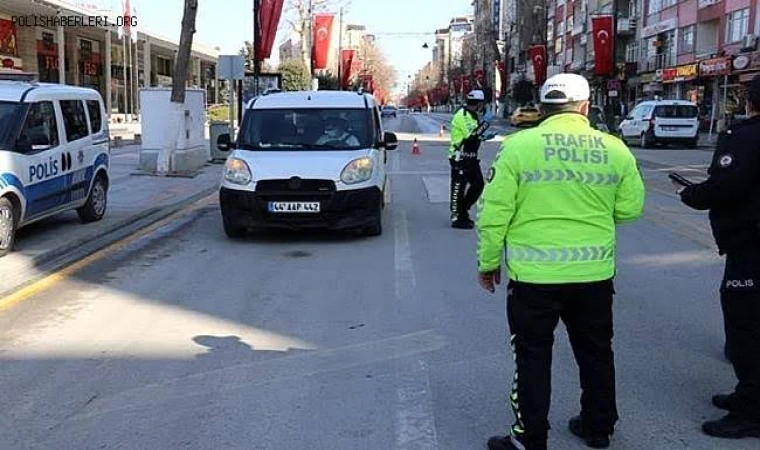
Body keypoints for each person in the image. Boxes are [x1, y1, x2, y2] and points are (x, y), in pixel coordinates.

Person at [476, 73, 646, 450]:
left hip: (534, 279)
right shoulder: (615, 148)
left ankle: (529, 438)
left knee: (532, 357)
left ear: (543, 108)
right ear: (585, 107)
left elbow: (493, 213)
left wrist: (488, 263)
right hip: (594, 276)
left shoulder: (519, 147)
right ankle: (598, 427)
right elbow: (630, 209)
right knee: (596, 351)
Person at [675, 73, 760, 440]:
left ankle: (752, 410)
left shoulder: (745, 138)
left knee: (746, 327)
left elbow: (725, 186)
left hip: (751, 246)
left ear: (750, 101)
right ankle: (748, 395)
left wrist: (694, 195)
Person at [449, 89, 490, 229]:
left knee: (478, 184)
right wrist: (485, 124)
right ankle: (457, 217)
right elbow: (470, 136)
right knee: (458, 188)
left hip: (471, 157)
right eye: (481, 103)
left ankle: (463, 209)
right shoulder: (463, 115)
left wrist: (483, 137)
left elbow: (475, 136)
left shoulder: (472, 116)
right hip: (460, 157)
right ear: (478, 103)